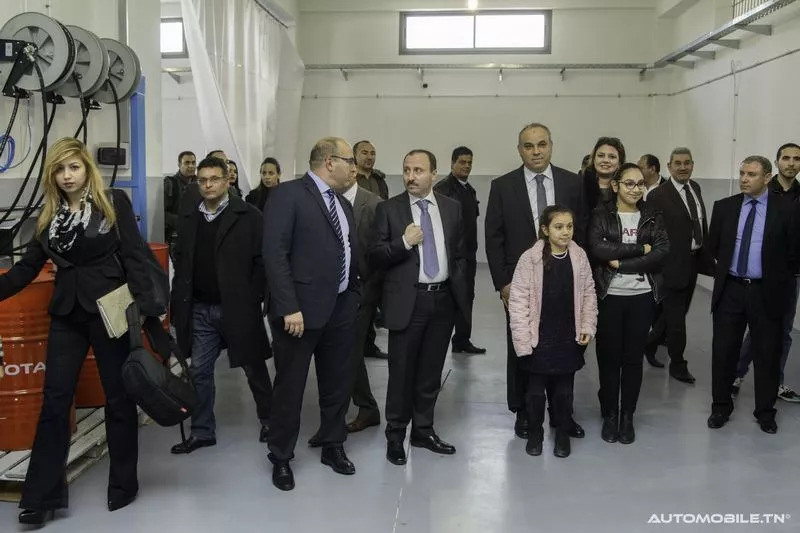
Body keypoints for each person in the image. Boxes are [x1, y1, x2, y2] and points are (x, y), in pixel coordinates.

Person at [0, 138, 164, 525]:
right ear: (51, 176)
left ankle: (123, 485)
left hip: (110, 311)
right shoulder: (48, 217)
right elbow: (25, 269)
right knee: (55, 401)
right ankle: (41, 498)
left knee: (118, 398)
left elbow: (135, 256)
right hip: (66, 315)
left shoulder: (112, 203)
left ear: (86, 168)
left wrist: (150, 315)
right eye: (60, 169)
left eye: (74, 167)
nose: (67, 176)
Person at [263, 137, 360, 491]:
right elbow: (274, 254)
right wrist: (288, 306)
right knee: (290, 387)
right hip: (299, 313)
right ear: (330, 161)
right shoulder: (287, 195)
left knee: (337, 383)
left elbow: (346, 249)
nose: (354, 168)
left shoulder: (342, 203)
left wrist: (355, 295)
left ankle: (333, 444)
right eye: (349, 161)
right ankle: (281, 456)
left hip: (341, 307)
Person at [485, 122, 587, 440]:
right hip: (521, 286)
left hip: (564, 282)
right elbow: (493, 237)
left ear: (551, 146)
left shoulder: (572, 183)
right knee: (522, 345)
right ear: (519, 151)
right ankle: (524, 412)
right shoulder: (503, 186)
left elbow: (581, 231)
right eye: (528, 146)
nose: (536, 151)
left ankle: (561, 412)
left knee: (563, 345)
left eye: (542, 144)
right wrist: (503, 283)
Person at [370, 149, 469, 466]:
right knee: (401, 372)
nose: (411, 176)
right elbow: (375, 255)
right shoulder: (389, 209)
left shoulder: (451, 208)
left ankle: (423, 430)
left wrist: (459, 293)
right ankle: (395, 434)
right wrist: (403, 243)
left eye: (418, 170)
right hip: (408, 302)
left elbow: (460, 253)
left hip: (442, 300)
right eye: (406, 170)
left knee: (430, 372)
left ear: (434, 174)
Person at [169, 156, 273, 454]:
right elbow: (181, 257)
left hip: (237, 308)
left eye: (214, 179)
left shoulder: (249, 216)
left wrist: (252, 295)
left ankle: (270, 421)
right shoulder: (190, 218)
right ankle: (202, 431)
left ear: (227, 180)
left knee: (254, 368)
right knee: (199, 371)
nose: (208, 185)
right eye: (202, 180)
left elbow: (262, 260)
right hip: (201, 308)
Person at [706, 156, 798, 434]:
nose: (744, 179)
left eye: (752, 174)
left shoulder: (787, 210)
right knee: (724, 352)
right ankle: (720, 407)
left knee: (768, 354)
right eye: (742, 173)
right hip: (731, 289)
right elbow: (713, 247)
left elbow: (794, 253)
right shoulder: (724, 207)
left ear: (767, 177)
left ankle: (765, 412)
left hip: (766, 291)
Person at [588, 163, 669, 444]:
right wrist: (639, 249)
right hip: (609, 296)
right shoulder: (601, 214)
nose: (635, 189)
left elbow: (662, 251)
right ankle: (610, 414)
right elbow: (599, 248)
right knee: (609, 358)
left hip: (642, 297)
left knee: (633, 359)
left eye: (640, 184)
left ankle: (627, 416)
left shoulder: (653, 215)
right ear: (615, 186)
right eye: (629, 183)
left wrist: (622, 263)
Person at [508, 205, 597, 458]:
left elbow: (589, 293)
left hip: (567, 336)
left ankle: (562, 435)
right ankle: (535, 433)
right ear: (545, 230)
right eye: (559, 227)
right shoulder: (530, 259)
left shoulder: (579, 257)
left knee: (564, 392)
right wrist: (523, 340)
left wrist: (587, 325)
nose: (565, 232)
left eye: (569, 226)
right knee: (535, 393)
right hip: (539, 338)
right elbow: (518, 301)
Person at [732, 143, 800, 402]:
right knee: (757, 328)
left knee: (784, 330)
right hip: (760, 274)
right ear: (777, 162)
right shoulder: (762, 191)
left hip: (790, 275)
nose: (791, 163)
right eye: (786, 158)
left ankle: (776, 382)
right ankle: (737, 374)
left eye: (797, 159)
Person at [643, 147, 713, 382]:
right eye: (678, 163)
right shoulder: (658, 195)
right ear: (669, 166)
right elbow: (651, 233)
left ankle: (649, 343)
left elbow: (699, 223)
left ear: (692, 164)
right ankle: (678, 364)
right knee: (677, 320)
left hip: (693, 262)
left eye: (687, 163)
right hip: (670, 265)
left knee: (675, 313)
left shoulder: (695, 188)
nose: (683, 167)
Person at [433, 146, 485, 354]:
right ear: (452, 163)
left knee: (467, 297)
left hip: (468, 255)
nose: (467, 166)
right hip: (450, 255)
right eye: (462, 162)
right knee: (448, 300)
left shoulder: (469, 190)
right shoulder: (443, 189)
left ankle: (462, 339)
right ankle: (437, 343)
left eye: (469, 162)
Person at [163, 150, 196, 259]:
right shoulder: (170, 183)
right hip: (177, 236)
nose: (191, 166)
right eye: (187, 163)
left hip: (197, 234)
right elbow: (162, 213)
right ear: (179, 164)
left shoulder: (200, 183)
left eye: (193, 162)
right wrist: (181, 221)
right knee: (182, 266)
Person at [583, 137, 625, 211]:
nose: (606, 160)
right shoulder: (579, 185)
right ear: (593, 159)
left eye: (612, 157)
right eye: (601, 156)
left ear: (619, 163)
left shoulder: (626, 189)